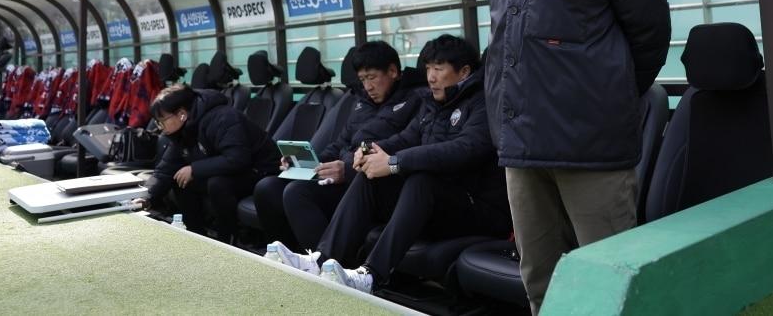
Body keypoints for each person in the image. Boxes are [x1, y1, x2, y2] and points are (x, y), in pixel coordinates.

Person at [483, 0, 671, 314]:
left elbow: (649, 35)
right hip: (521, 146)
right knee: (540, 282)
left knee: (611, 280)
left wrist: (600, 98)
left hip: (591, 145)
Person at [277, 35, 511, 294]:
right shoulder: (434, 104)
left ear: (464, 71)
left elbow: (465, 149)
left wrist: (394, 162)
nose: (431, 77)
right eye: (429, 68)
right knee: (372, 178)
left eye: (439, 68)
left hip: (477, 206)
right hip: (439, 200)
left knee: (422, 181)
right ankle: (322, 260)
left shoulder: (483, 103)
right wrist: (370, 152)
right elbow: (406, 138)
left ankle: (372, 275)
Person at [254, 41, 422, 253]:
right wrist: (309, 162)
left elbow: (403, 145)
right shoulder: (361, 102)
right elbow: (340, 143)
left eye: (372, 78)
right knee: (267, 188)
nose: (368, 87)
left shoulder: (416, 99)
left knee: (297, 193)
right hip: (343, 174)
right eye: (362, 80)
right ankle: (290, 256)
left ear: (393, 71)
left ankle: (326, 266)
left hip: (374, 183)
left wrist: (347, 167)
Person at [134, 85, 281, 243]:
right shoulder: (180, 132)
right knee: (180, 179)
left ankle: (228, 239)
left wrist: (194, 169)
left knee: (217, 183)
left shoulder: (223, 118)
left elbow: (237, 158)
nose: (160, 127)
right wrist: (147, 196)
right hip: (229, 170)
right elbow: (165, 169)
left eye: (162, 121)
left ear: (182, 114)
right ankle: (195, 236)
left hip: (259, 169)